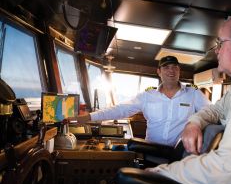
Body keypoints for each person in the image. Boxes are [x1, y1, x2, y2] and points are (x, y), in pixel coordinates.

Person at [100, 11, 231, 184]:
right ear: (159, 72)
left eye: (220, 43)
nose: (217, 50)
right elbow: (216, 110)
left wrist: (161, 173)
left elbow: (226, 169)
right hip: (210, 179)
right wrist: (194, 122)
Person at [73, 55, 210, 147]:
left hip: (180, 155)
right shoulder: (147, 95)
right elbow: (121, 109)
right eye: (166, 67)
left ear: (179, 70)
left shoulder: (193, 93)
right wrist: (89, 117)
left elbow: (211, 112)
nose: (171, 71)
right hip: (151, 151)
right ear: (159, 71)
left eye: (174, 67)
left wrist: (196, 123)